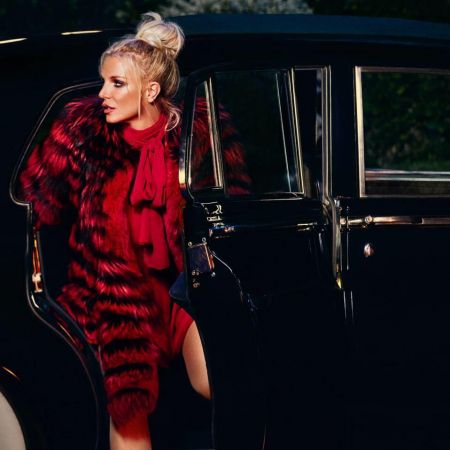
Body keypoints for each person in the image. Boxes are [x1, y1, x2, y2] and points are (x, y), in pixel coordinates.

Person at [19, 12, 250, 450]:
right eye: (103, 82)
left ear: (151, 90)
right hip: (113, 295)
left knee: (220, 380)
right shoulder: (81, 133)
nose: (102, 94)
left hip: (183, 291)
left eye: (116, 84)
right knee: (129, 408)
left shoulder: (198, 133)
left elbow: (231, 205)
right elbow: (36, 202)